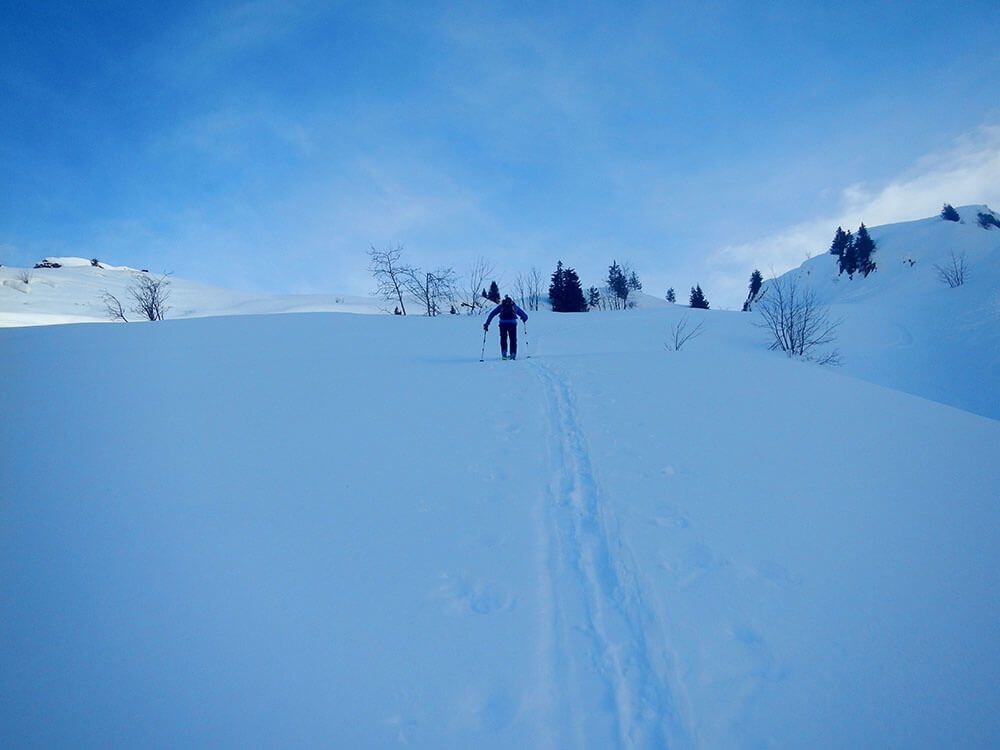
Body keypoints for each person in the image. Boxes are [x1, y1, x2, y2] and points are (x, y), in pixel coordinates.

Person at [484, 295, 528, 360]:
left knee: (503, 338)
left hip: (502, 324)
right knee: (513, 339)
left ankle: (504, 354)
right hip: (512, 324)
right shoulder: (514, 306)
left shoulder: (501, 306)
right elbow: (525, 316)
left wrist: (487, 324)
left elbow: (492, 314)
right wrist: (523, 318)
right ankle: (513, 354)